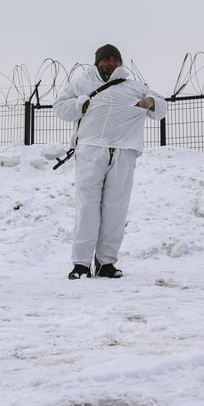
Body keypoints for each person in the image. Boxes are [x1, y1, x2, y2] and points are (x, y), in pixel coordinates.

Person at [53, 44, 168, 280]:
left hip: (124, 151)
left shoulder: (133, 86)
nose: (111, 64)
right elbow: (60, 107)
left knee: (116, 208)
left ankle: (106, 262)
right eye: (106, 59)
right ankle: (81, 263)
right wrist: (79, 105)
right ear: (97, 62)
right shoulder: (81, 83)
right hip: (90, 149)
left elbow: (161, 107)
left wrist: (150, 103)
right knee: (87, 206)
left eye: (116, 60)